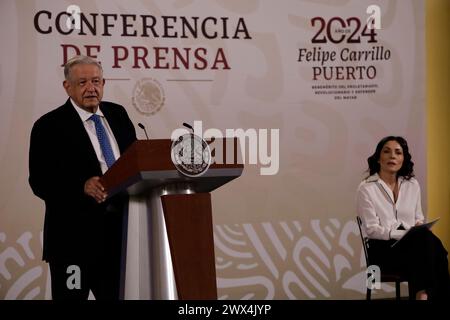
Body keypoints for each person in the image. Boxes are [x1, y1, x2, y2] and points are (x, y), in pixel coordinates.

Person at [28, 55, 137, 300]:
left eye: (96, 81)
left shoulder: (118, 114)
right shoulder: (48, 126)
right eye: (83, 82)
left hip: (119, 241)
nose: (91, 88)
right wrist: (81, 186)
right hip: (73, 245)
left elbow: (136, 162)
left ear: (104, 83)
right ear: (67, 87)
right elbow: (39, 181)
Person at [356, 136, 450, 300]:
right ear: (378, 158)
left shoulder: (412, 185)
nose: (392, 156)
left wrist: (419, 227)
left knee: (426, 242)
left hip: (414, 249)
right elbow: (371, 230)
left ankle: (423, 294)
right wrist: (400, 233)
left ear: (403, 159)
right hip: (382, 251)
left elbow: (418, 218)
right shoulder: (366, 188)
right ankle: (425, 295)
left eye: (398, 152)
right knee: (433, 248)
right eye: (387, 151)